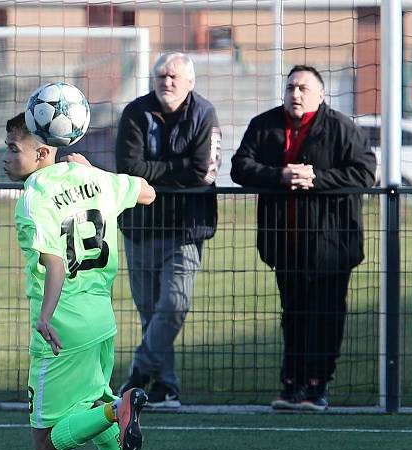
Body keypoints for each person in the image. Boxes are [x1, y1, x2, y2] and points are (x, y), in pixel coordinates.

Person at [3, 113, 157, 450]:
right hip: (101, 320)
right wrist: (96, 173)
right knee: (93, 401)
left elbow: (54, 262)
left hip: (63, 327)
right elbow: (147, 192)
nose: (4, 157)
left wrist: (44, 316)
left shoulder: (34, 197)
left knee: (44, 442)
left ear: (41, 151)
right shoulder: (92, 178)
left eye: (11, 149)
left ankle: (117, 411)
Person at [230, 65, 376, 412]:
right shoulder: (264, 126)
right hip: (285, 243)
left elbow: (366, 171)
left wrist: (316, 179)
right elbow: (239, 167)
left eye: (303, 89)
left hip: (332, 246)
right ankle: (291, 384)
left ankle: (317, 385)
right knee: (293, 314)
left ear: (321, 95)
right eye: (291, 87)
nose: (296, 94)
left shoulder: (341, 128)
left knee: (326, 314)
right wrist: (279, 175)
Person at [115, 51, 221, 408]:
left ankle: (138, 374)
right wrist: (174, 170)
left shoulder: (204, 114)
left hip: (185, 229)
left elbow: (203, 171)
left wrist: (152, 172)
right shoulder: (135, 112)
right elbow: (129, 167)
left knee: (174, 305)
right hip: (139, 227)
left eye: (174, 76)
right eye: (161, 76)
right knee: (151, 312)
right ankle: (166, 388)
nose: (167, 82)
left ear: (190, 82)